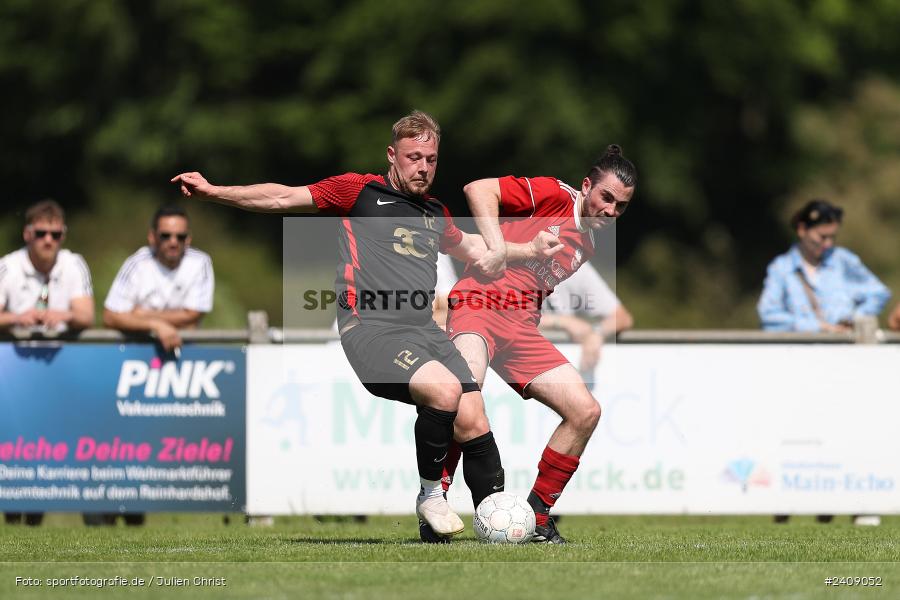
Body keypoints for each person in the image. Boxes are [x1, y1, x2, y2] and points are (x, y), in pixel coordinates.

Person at [171, 111, 523, 541]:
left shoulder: (435, 211)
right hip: (370, 329)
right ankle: (431, 495)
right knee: (445, 392)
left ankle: (500, 529)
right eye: (414, 157)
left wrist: (526, 248)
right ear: (392, 156)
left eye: (431, 158)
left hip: (423, 330)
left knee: (473, 417)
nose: (423, 167)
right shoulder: (359, 191)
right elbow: (282, 198)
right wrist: (213, 192)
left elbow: (472, 247)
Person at [444, 145, 637, 543]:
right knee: (463, 403)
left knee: (585, 411)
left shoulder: (588, 246)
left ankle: (538, 516)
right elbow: (478, 188)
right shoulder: (553, 195)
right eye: (606, 198)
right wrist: (497, 245)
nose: (611, 211)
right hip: (478, 305)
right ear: (587, 186)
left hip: (521, 328)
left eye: (621, 206)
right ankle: (435, 503)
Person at [1, 199, 94, 526]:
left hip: (62, 371)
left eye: (55, 234)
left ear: (63, 235)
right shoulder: (9, 266)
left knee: (56, 445)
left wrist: (63, 315)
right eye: (41, 233)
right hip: (14, 372)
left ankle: (39, 516)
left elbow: (86, 315)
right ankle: (14, 516)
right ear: (27, 233)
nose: (48, 241)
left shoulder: (73, 264)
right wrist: (17, 318)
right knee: (15, 444)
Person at [758, 199, 890, 332]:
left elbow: (879, 293)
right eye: (822, 237)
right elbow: (769, 316)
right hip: (800, 349)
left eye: (833, 237)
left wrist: (856, 318)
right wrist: (819, 327)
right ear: (802, 230)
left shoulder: (843, 260)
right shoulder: (781, 268)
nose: (828, 244)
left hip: (844, 349)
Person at [103, 205, 214, 354]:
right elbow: (110, 317)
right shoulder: (136, 263)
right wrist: (156, 325)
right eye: (165, 235)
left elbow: (193, 315)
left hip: (185, 353)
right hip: (133, 354)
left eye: (180, 236)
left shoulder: (201, 262)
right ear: (152, 237)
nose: (173, 242)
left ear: (188, 239)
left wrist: (139, 315)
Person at [540, 262, 633, 389]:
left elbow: (622, 317)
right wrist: (561, 322)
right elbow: (507, 320)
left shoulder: (574, 265)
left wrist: (597, 333)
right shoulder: (509, 261)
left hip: (562, 374)